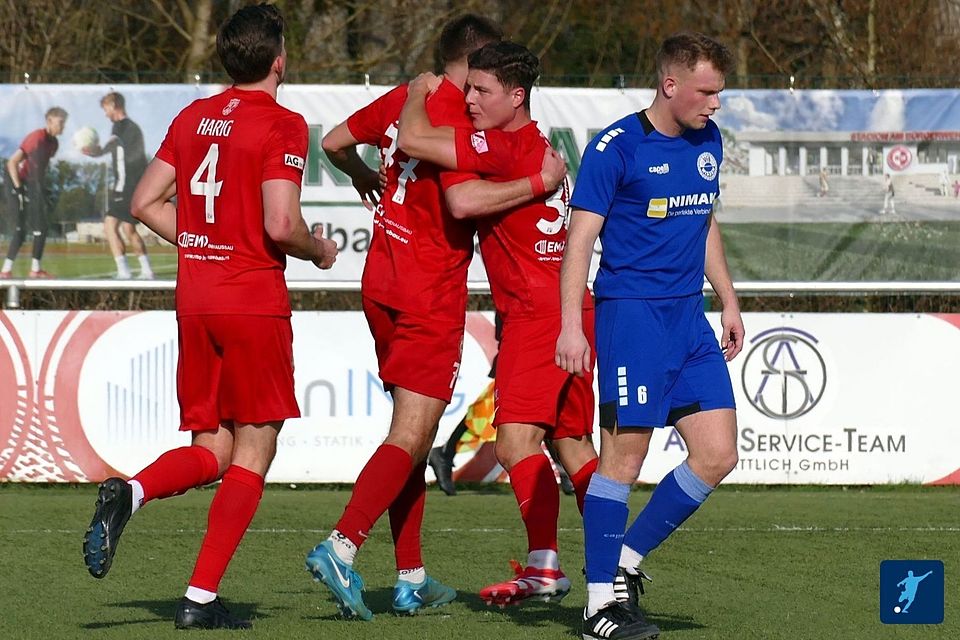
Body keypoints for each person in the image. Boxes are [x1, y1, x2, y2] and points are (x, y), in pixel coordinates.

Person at [81, 4, 338, 630]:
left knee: (213, 448)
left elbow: (144, 202)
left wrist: (201, 241)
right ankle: (198, 599)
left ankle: (131, 492)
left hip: (197, 299)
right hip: (252, 300)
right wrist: (320, 248)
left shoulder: (194, 116)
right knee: (255, 450)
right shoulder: (282, 123)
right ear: (279, 59)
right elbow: (281, 224)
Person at [397, 41, 600, 608]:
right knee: (572, 445)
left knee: (514, 444)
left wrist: (418, 93)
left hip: (541, 314)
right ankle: (615, 564)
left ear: (517, 97)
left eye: (482, 90)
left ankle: (550, 569)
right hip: (569, 308)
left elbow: (419, 149)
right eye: (468, 88)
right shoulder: (535, 143)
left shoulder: (505, 146)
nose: (469, 100)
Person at [556, 32, 743, 640]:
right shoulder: (616, 147)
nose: (716, 104)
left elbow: (703, 221)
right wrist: (570, 325)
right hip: (631, 317)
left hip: (688, 318)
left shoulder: (707, 139)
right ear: (671, 84)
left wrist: (729, 300)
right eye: (708, 91)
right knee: (624, 459)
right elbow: (579, 241)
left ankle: (625, 564)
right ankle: (595, 612)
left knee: (718, 454)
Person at [82, 92, 154, 279]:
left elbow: (113, 145)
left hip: (126, 186)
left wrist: (96, 151)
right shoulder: (124, 127)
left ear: (114, 105)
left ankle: (124, 272)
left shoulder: (126, 127)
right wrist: (95, 152)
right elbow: (113, 147)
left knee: (109, 226)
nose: (105, 113)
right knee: (129, 229)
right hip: (134, 186)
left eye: (106, 108)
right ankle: (147, 271)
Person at [1, 106, 67, 279]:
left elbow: (38, 169)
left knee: (42, 228)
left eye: (64, 123)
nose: (63, 126)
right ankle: (5, 271)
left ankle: (35, 270)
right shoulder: (36, 137)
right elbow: (12, 163)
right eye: (60, 122)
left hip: (32, 185)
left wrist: (39, 190)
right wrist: (18, 189)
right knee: (20, 229)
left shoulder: (54, 144)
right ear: (49, 121)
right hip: (16, 180)